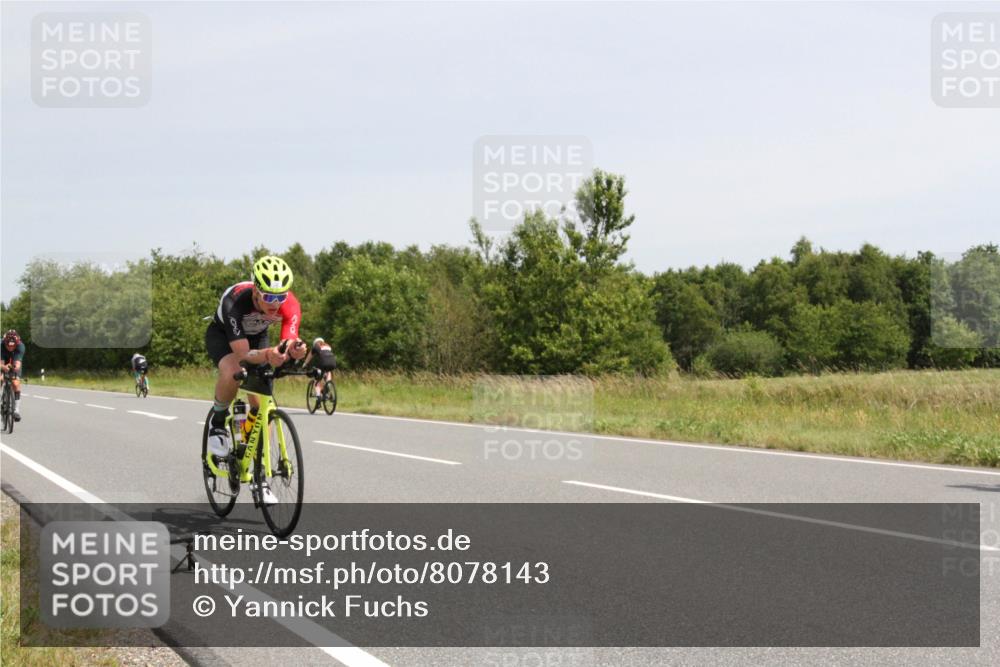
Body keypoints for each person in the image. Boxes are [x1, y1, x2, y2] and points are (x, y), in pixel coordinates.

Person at [204, 256, 307, 502]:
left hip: (258, 336)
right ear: (256, 291)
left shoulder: (289, 303)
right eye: (269, 297)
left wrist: (294, 350)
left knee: (262, 404)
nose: (275, 303)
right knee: (234, 372)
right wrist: (267, 355)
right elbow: (242, 354)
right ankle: (218, 423)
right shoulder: (235, 301)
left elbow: (288, 338)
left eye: (280, 297)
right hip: (224, 336)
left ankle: (259, 474)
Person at [1, 330, 25, 422]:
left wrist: (14, 368)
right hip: (2, 359)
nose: (10, 348)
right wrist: (3, 367)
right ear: (5, 342)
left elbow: (17, 364)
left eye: (13, 346)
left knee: (15, 383)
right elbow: (1, 363)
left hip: (13, 360)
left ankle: (16, 410)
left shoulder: (20, 346)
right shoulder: (1, 345)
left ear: (16, 343)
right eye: (8, 345)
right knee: (1, 378)